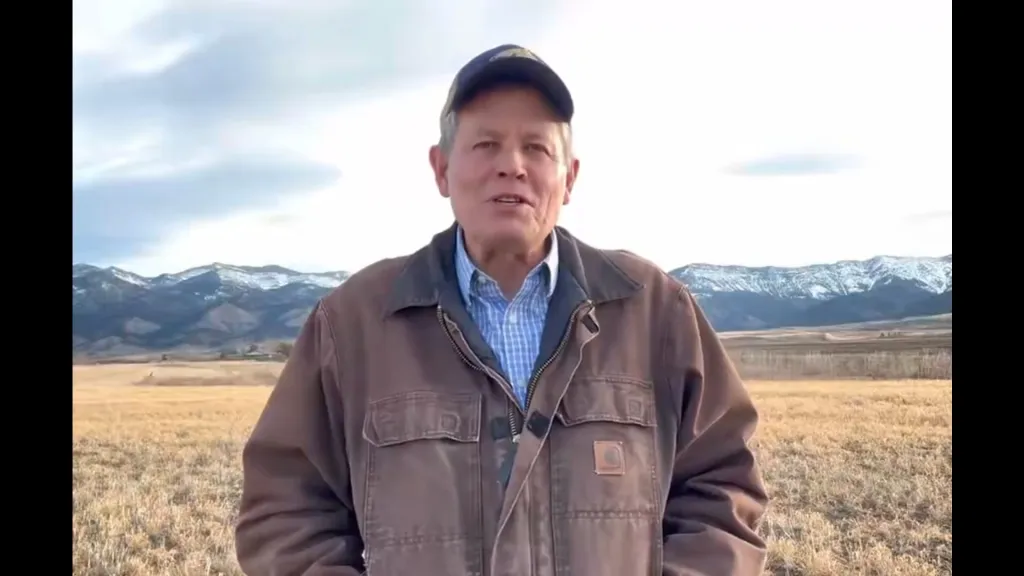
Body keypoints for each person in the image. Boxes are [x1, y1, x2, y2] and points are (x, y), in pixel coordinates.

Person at [235, 43, 769, 576]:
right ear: (441, 169)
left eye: (536, 148)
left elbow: (722, 491)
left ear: (570, 178)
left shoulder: (656, 313)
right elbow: (286, 512)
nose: (511, 166)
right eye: (486, 144)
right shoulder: (351, 325)